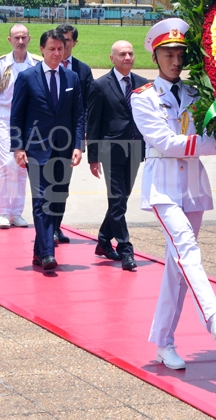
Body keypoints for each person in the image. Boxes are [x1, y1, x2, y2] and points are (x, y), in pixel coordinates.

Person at [131, 18, 216, 370]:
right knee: (186, 248)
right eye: (168, 54)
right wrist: (212, 143)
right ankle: (214, 315)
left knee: (178, 266)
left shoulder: (198, 95)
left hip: (192, 185)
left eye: (180, 54)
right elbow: (164, 142)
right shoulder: (144, 98)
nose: (175, 61)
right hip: (162, 185)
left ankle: (163, 341)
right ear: (156, 56)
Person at [10, 29, 85, 271]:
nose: (56, 53)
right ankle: (48, 253)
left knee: (56, 200)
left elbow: (78, 115)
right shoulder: (27, 77)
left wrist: (78, 145)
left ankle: (38, 252)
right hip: (36, 150)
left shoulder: (71, 78)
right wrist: (18, 147)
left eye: (60, 49)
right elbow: (16, 115)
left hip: (64, 150)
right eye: (51, 48)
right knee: (41, 200)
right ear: (41, 49)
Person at [87, 40, 148, 271]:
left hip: (134, 149)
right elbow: (93, 124)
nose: (128, 57)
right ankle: (126, 250)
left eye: (131, 53)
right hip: (110, 151)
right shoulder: (100, 85)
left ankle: (103, 239)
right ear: (112, 58)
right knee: (117, 201)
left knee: (121, 200)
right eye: (122, 54)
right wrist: (92, 156)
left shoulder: (143, 85)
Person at [0, 25, 38, 229]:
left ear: (29, 39)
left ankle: (17, 212)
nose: (20, 41)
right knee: (7, 164)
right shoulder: (0, 64)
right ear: (9, 40)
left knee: (23, 164)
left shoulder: (36, 63)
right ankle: (4, 211)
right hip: (6, 116)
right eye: (17, 37)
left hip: (29, 118)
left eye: (24, 37)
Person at [54, 23, 93, 243]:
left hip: (69, 137)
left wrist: (82, 138)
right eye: (59, 38)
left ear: (74, 43)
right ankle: (45, 225)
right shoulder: (43, 66)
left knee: (62, 184)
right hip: (45, 136)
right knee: (44, 184)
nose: (62, 43)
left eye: (67, 40)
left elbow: (86, 106)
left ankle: (56, 225)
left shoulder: (83, 70)